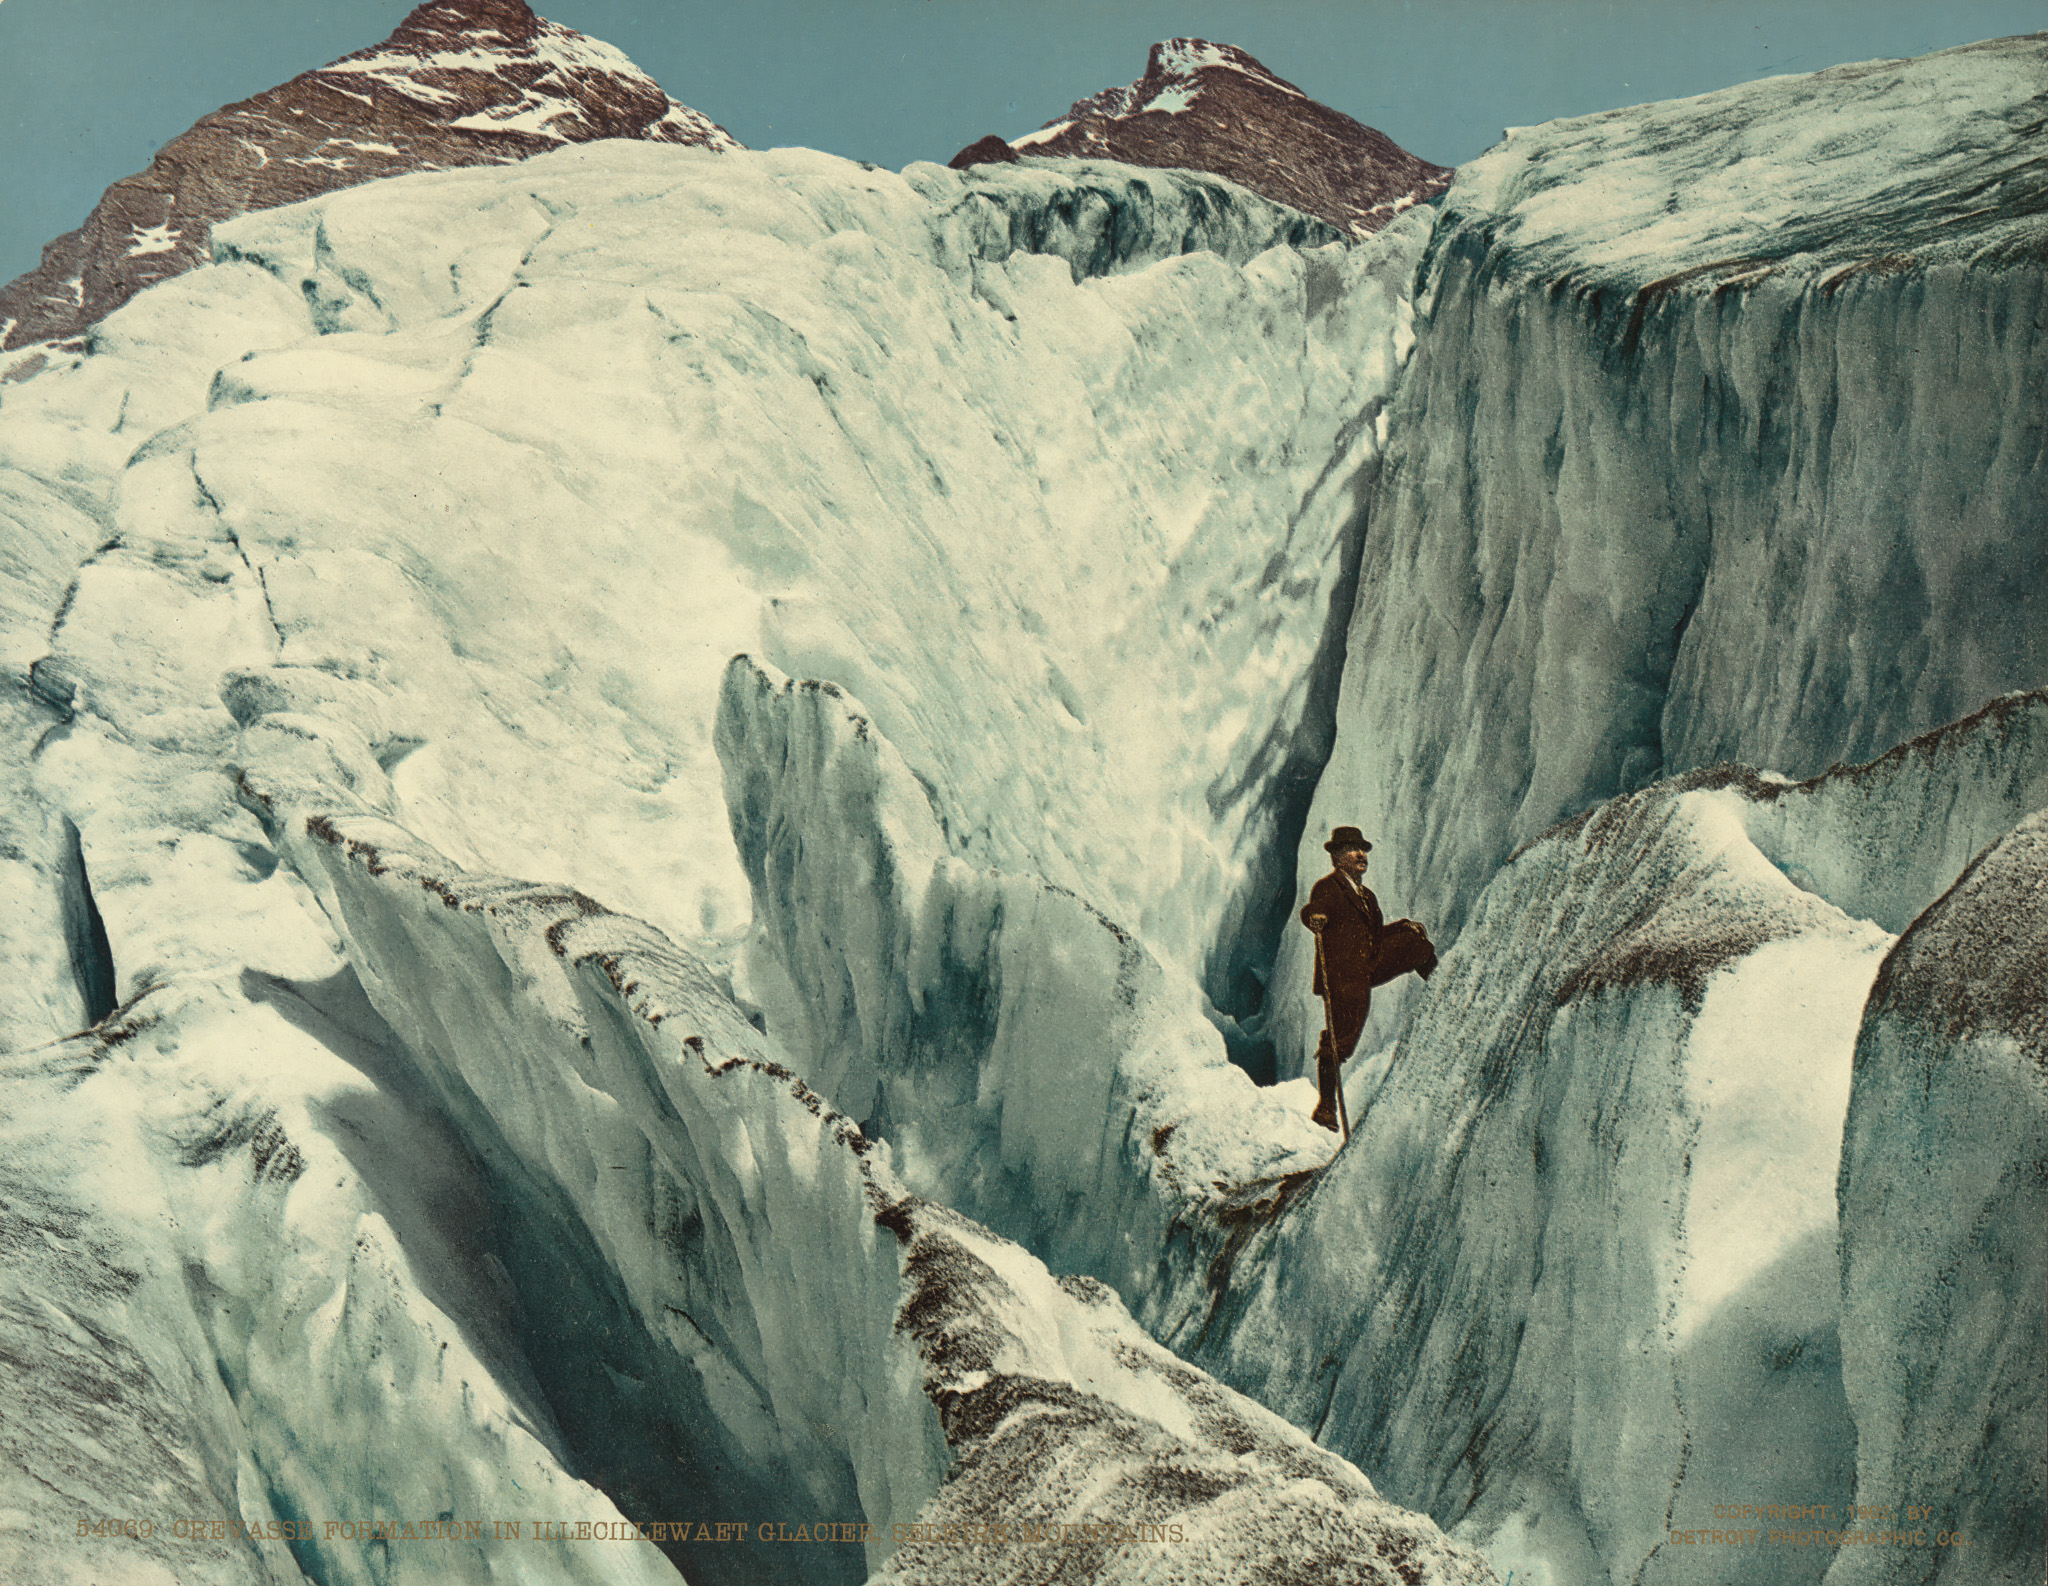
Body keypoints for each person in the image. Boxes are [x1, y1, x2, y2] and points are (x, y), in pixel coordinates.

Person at [1300, 826, 1437, 1133]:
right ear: (1337, 857)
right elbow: (1313, 910)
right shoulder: (1328, 887)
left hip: (1368, 964)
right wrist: (1314, 918)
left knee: (1413, 943)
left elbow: (1374, 936)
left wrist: (1402, 926)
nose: (1361, 854)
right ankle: (1325, 1108)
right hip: (1344, 976)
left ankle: (1445, 984)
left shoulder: (1367, 896)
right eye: (1352, 849)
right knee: (1341, 1038)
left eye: (1362, 849)